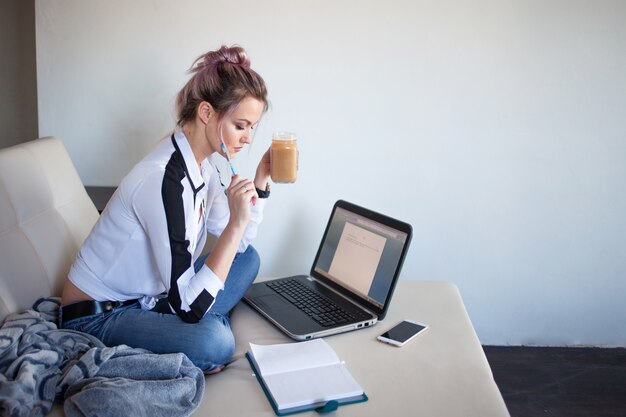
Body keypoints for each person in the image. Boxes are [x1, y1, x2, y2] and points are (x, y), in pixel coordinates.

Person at [59, 45, 270, 374]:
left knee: (249, 258)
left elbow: (240, 243)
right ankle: (205, 326)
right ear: (206, 113)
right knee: (216, 341)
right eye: (241, 125)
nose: (248, 138)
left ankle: (200, 320)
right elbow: (187, 304)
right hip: (98, 315)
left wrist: (260, 184)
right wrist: (233, 226)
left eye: (252, 127)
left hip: (153, 297)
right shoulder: (163, 180)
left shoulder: (203, 167)